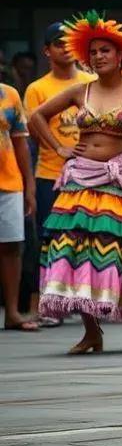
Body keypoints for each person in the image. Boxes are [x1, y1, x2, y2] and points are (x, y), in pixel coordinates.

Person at [32, 11, 122, 353]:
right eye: (93, 52)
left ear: (121, 55)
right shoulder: (80, 91)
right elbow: (37, 117)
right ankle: (92, 330)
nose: (98, 56)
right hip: (80, 179)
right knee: (70, 248)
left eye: (105, 50)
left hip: (120, 181)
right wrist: (59, 147)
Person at [23, 22, 95, 325]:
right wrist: (57, 147)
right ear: (47, 51)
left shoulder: (91, 80)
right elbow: (32, 125)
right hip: (50, 175)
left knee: (87, 239)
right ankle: (51, 306)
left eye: (69, 42)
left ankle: (86, 303)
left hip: (88, 176)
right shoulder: (38, 88)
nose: (64, 47)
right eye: (57, 43)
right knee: (51, 240)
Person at [1, 82, 36, 331]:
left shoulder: (9, 94)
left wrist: (29, 186)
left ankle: (12, 312)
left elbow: (20, 142)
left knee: (12, 246)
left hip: (9, 181)